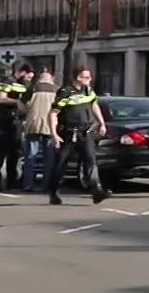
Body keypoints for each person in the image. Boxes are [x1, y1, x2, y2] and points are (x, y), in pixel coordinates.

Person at [45, 66, 109, 206]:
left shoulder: (88, 90)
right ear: (78, 78)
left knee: (91, 160)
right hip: (68, 133)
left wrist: (102, 123)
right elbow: (53, 113)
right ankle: (53, 191)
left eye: (90, 77)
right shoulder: (65, 92)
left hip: (86, 132)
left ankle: (97, 191)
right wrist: (54, 134)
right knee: (61, 164)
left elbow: (94, 105)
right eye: (86, 77)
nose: (90, 79)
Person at [0, 65, 31, 191]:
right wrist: (16, 102)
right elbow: (1, 98)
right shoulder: (8, 80)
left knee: (15, 152)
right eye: (28, 76)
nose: (29, 79)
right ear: (22, 72)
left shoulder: (25, 85)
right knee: (1, 151)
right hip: (5, 120)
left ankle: (11, 180)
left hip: (17, 121)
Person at [20, 69, 59, 192]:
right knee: (49, 157)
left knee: (31, 156)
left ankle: (28, 185)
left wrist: (27, 113)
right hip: (50, 127)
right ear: (51, 78)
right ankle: (47, 185)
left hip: (33, 125)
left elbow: (21, 105)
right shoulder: (56, 90)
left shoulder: (32, 88)